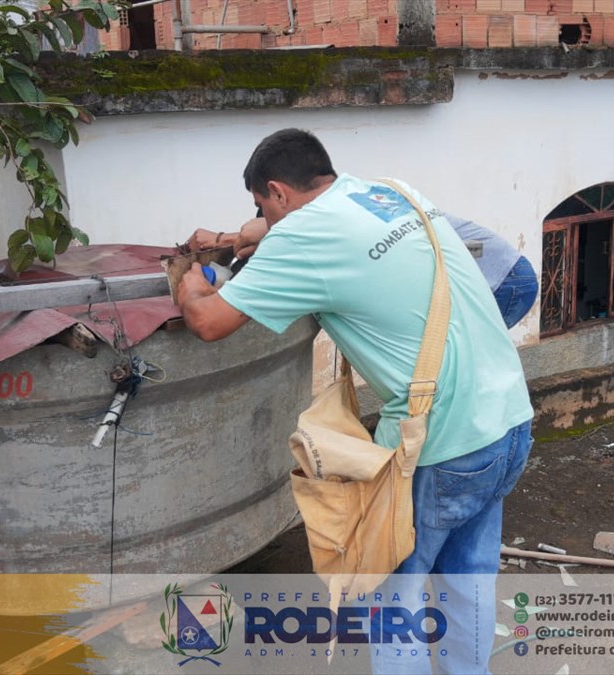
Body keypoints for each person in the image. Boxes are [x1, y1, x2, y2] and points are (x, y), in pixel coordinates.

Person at [177, 128, 533, 674]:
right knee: (469, 579)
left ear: (279, 192)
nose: (265, 221)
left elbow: (207, 322)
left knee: (395, 602)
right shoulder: (388, 192)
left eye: (262, 208)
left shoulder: (301, 237)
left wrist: (190, 281)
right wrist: (249, 234)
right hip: (507, 421)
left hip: (438, 447)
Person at [189, 214, 538, 329]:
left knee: (453, 366)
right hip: (490, 269)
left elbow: (210, 323)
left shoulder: (313, 226)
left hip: (501, 278)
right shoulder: (335, 212)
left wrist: (223, 238)